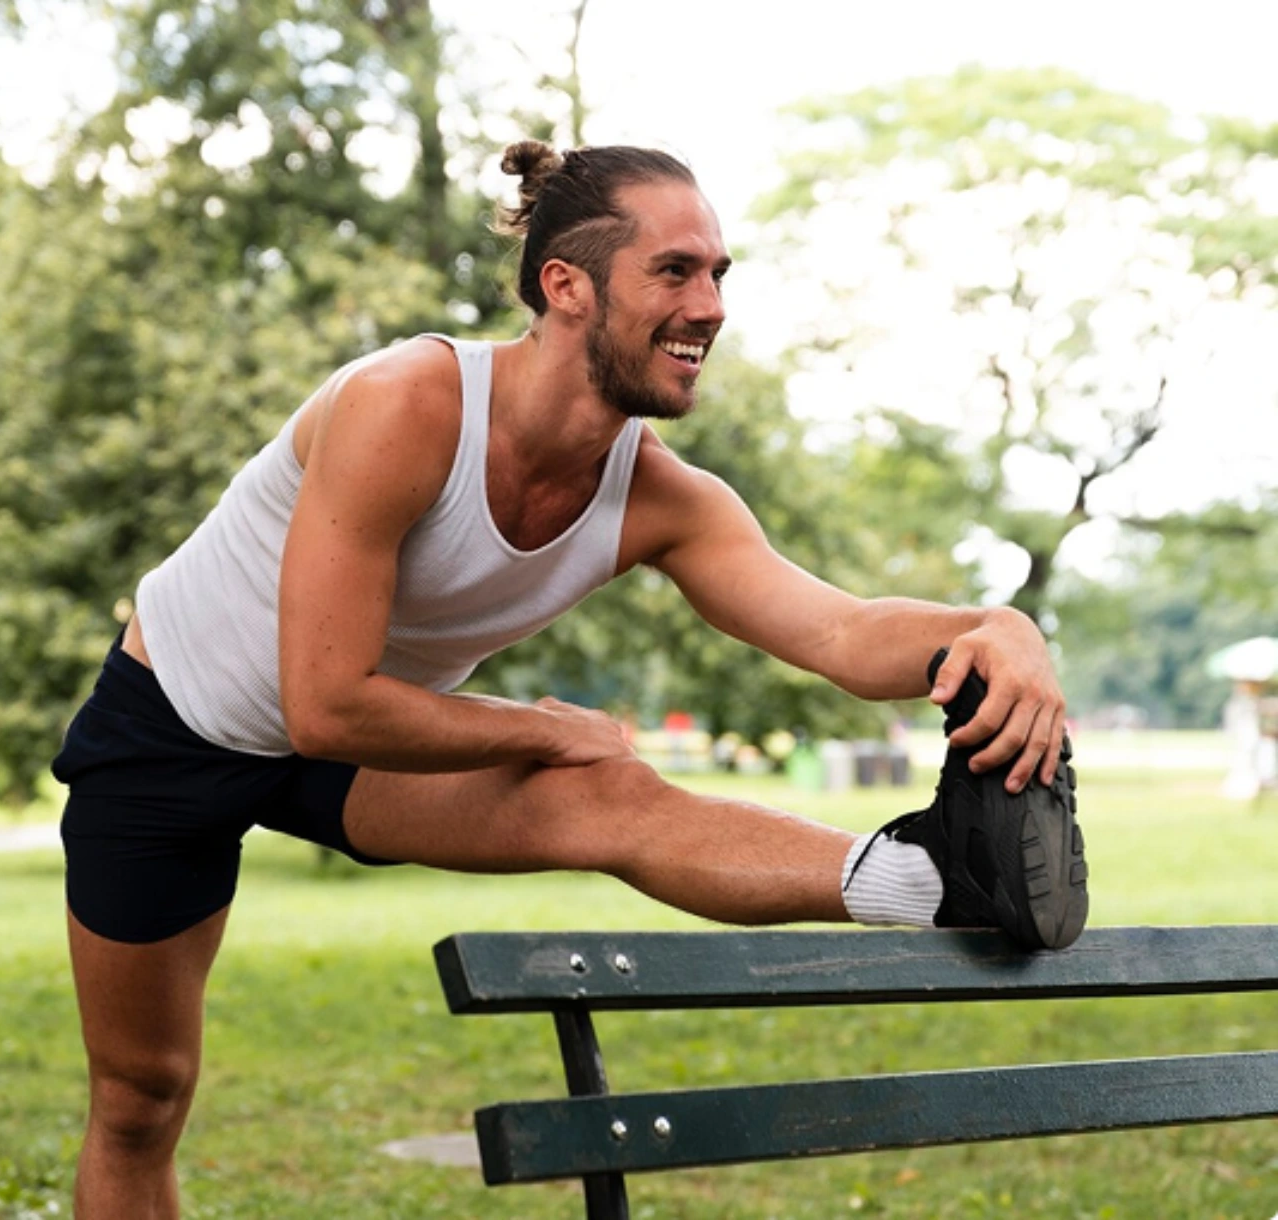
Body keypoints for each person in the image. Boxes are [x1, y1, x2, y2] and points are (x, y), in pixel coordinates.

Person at [52, 139, 1087, 1217]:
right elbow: (323, 698)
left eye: (719, 273)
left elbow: (837, 631)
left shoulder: (658, 496)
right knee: (140, 1095)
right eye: (674, 270)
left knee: (616, 797)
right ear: (566, 285)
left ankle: (925, 879)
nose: (710, 305)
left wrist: (991, 627)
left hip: (360, 751)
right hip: (177, 725)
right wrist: (537, 731)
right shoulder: (405, 404)